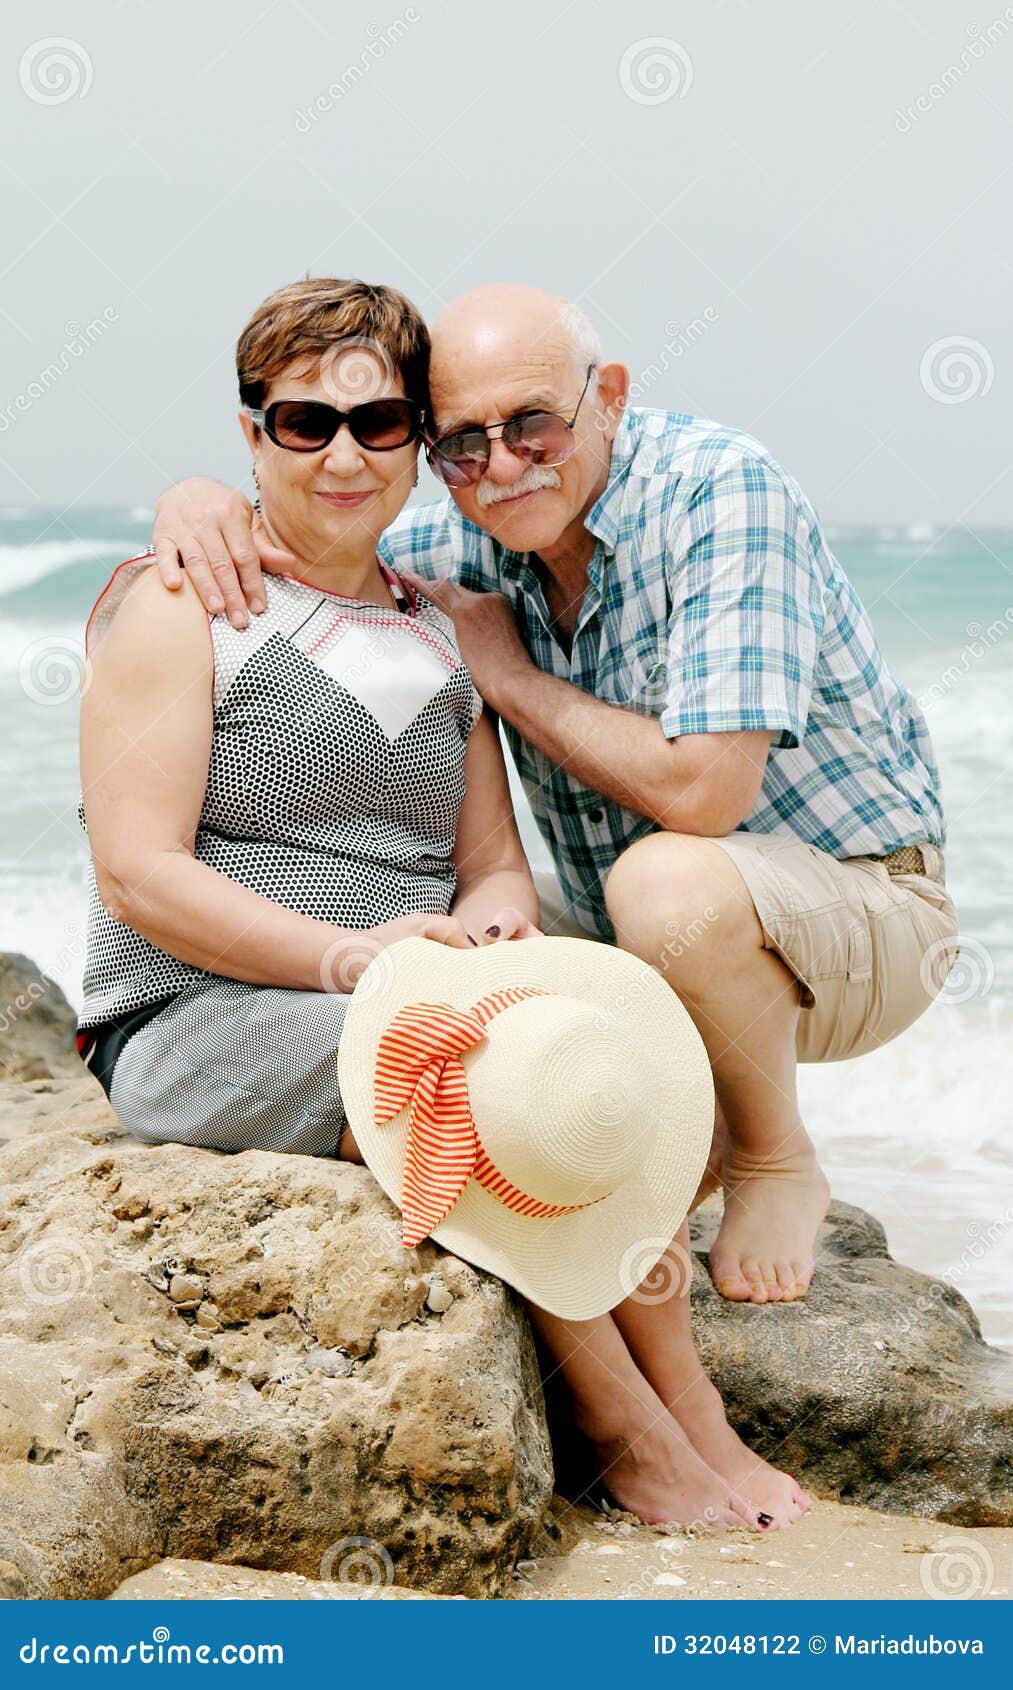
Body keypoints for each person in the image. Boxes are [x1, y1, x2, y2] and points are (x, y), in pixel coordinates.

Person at [78, 277, 810, 1532]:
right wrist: (348, 960)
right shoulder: (178, 604)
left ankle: (698, 1417)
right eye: (307, 423)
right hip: (205, 1012)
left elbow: (491, 863)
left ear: (418, 438)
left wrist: (491, 929)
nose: (345, 454)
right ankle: (624, 1433)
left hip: (407, 979)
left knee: (593, 1055)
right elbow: (139, 875)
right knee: (469, 1078)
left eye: (381, 423)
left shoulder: (438, 632)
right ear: (254, 433)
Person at [149, 283, 960, 1313]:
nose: (499, 464)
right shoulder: (459, 537)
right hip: (644, 934)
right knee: (504, 1023)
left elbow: (705, 791)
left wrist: (511, 677)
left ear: (606, 397)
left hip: (859, 913)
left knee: (665, 881)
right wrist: (197, 500)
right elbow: (310, 525)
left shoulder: (720, 492)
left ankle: (776, 1157)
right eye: (460, 443)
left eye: (532, 425)